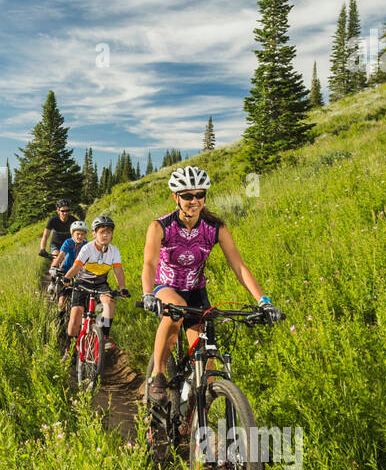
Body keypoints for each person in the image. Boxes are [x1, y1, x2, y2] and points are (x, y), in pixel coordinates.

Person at [140, 166, 280, 403]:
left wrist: (263, 301)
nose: (194, 201)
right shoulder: (160, 226)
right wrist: (147, 294)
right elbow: (149, 264)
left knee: (207, 357)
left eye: (199, 195)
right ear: (176, 197)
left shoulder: (215, 228)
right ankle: (158, 375)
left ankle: (196, 417)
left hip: (197, 292)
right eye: (187, 196)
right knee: (176, 312)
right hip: (166, 287)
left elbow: (239, 266)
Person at [62, 214, 130, 352]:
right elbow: (76, 266)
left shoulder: (114, 250)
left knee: (109, 303)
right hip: (82, 284)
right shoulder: (87, 248)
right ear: (94, 234)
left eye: (109, 232)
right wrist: (67, 277)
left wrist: (122, 288)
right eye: (102, 232)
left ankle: (104, 337)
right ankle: (68, 352)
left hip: (100, 284)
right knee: (74, 321)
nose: (105, 235)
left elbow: (118, 270)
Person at [50, 220, 87, 310]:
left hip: (79, 273)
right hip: (65, 271)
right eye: (77, 234)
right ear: (72, 234)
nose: (80, 236)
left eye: (82, 234)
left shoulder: (86, 245)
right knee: (62, 300)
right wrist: (54, 267)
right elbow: (60, 256)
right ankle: (59, 320)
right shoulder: (68, 242)